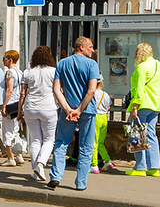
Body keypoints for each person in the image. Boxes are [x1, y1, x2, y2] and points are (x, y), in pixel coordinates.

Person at [49, 36, 106, 191]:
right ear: (82, 47)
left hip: (67, 111)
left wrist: (68, 109)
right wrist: (79, 110)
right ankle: (81, 183)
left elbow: (56, 89)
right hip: (87, 111)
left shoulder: (62, 63)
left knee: (61, 143)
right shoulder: (92, 64)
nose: (93, 50)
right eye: (91, 47)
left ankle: (55, 176)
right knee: (86, 146)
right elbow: (92, 90)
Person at [21, 45, 59, 186]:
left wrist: (20, 110)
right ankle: (41, 165)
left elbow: (23, 94)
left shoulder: (28, 72)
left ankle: (35, 171)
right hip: (49, 107)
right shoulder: (54, 72)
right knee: (49, 139)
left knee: (35, 140)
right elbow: (57, 90)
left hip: (30, 107)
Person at [126, 36, 160, 176]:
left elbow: (139, 89)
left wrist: (135, 106)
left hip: (142, 105)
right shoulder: (157, 64)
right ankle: (154, 167)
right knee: (151, 135)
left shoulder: (141, 68)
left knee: (137, 136)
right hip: (155, 104)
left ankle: (140, 167)